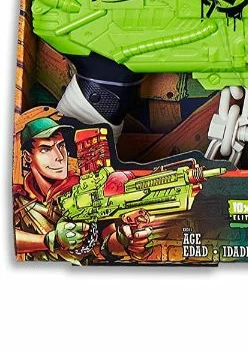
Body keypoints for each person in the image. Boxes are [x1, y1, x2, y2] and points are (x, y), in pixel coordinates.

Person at [14, 106, 150, 262]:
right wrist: (50, 240)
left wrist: (124, 239)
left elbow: (108, 241)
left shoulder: (84, 189)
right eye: (45, 149)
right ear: (28, 157)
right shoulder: (19, 197)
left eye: (61, 146)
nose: (59, 157)